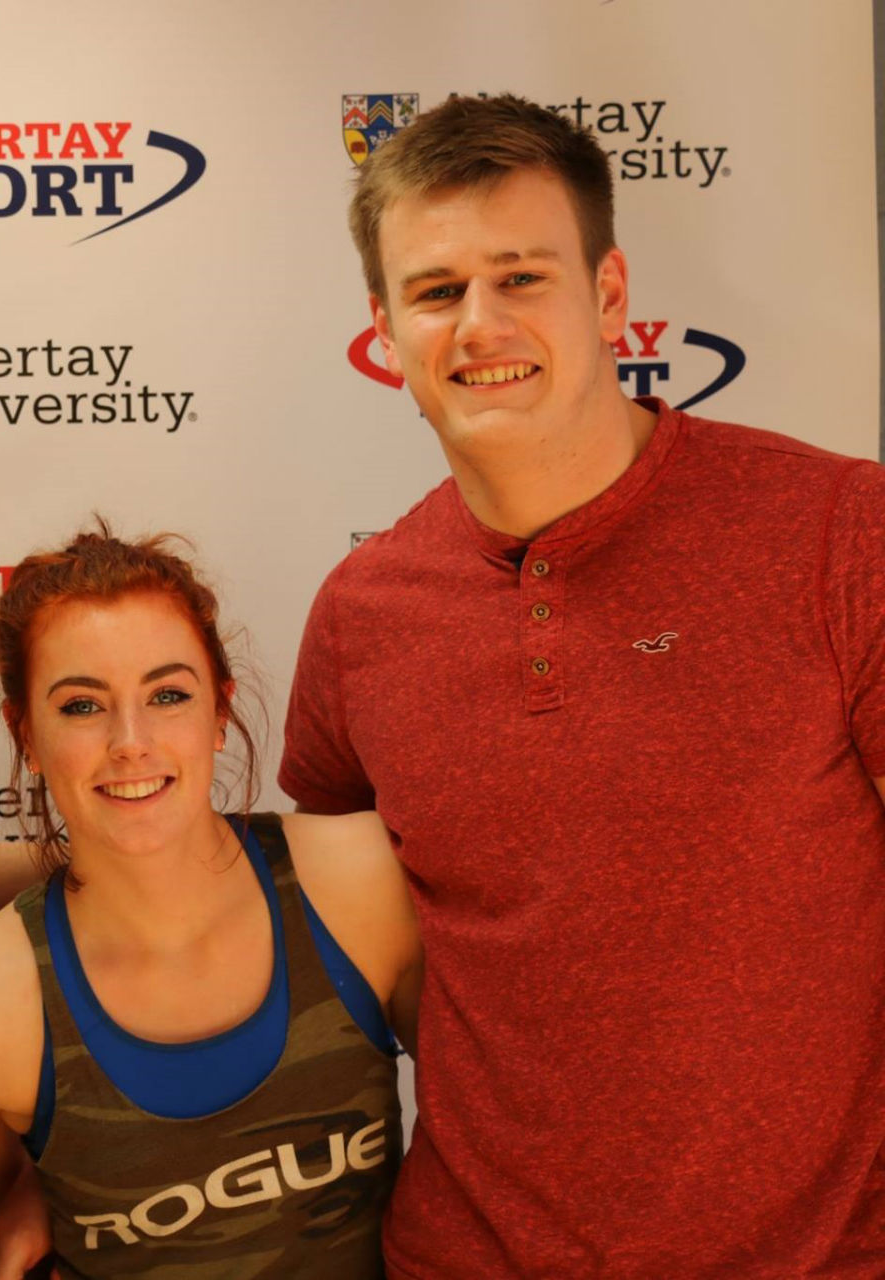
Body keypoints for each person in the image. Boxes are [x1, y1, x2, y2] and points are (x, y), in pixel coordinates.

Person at [277, 94, 885, 1275]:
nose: (479, 324)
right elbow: (296, 930)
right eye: (437, 290)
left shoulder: (837, 530)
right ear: (386, 330)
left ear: (609, 295)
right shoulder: (359, 617)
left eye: (521, 277)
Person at [0, 525, 420, 1278]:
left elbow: (507, 1148)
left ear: (221, 710)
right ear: (26, 735)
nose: (130, 742)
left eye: (168, 695)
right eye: (81, 706)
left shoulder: (357, 882)